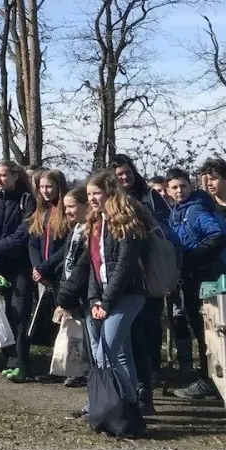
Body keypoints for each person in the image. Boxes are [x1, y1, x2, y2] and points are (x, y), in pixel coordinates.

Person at [58, 171, 153, 422]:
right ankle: (112, 406)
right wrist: (94, 300)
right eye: (89, 193)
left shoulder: (126, 221)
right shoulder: (95, 222)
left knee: (106, 352)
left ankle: (127, 407)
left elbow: (124, 266)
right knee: (120, 353)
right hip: (103, 297)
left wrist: (107, 302)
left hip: (129, 295)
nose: (92, 198)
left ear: (110, 193)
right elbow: (94, 267)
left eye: (97, 193)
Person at [165, 168, 226, 402]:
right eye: (174, 187)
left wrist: (190, 260)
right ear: (168, 191)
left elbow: (217, 236)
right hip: (192, 278)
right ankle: (210, 378)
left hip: (203, 279)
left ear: (190, 186)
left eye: (183, 186)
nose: (179, 191)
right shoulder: (178, 211)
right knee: (203, 331)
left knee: (207, 331)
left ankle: (209, 381)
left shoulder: (194, 210)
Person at [109, 154, 167, 409]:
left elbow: (166, 226)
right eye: (119, 174)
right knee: (129, 337)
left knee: (147, 330)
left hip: (148, 272)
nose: (125, 177)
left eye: (128, 172)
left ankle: (148, 383)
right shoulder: (109, 200)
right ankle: (131, 389)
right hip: (122, 277)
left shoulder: (150, 196)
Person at [0, 160, 36, 381]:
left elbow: (23, 234)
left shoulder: (27, 201)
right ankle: (9, 359)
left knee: (19, 313)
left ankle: (21, 363)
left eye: (3, 175)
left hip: (20, 266)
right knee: (2, 315)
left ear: (15, 175)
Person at [22, 169, 72, 383]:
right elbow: (33, 242)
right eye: (42, 187)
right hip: (43, 275)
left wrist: (46, 267)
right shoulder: (40, 212)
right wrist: (37, 267)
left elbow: (66, 246)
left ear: (59, 187)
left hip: (60, 273)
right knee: (52, 322)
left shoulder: (67, 213)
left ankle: (69, 368)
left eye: (49, 186)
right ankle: (54, 367)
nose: (45, 191)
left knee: (66, 322)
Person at [49, 186, 91, 388]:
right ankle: (75, 370)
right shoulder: (75, 229)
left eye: (71, 206)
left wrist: (69, 293)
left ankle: (85, 372)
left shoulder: (90, 231)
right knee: (74, 333)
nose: (67, 211)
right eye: (65, 207)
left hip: (82, 292)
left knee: (85, 334)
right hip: (69, 287)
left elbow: (84, 267)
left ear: (86, 206)